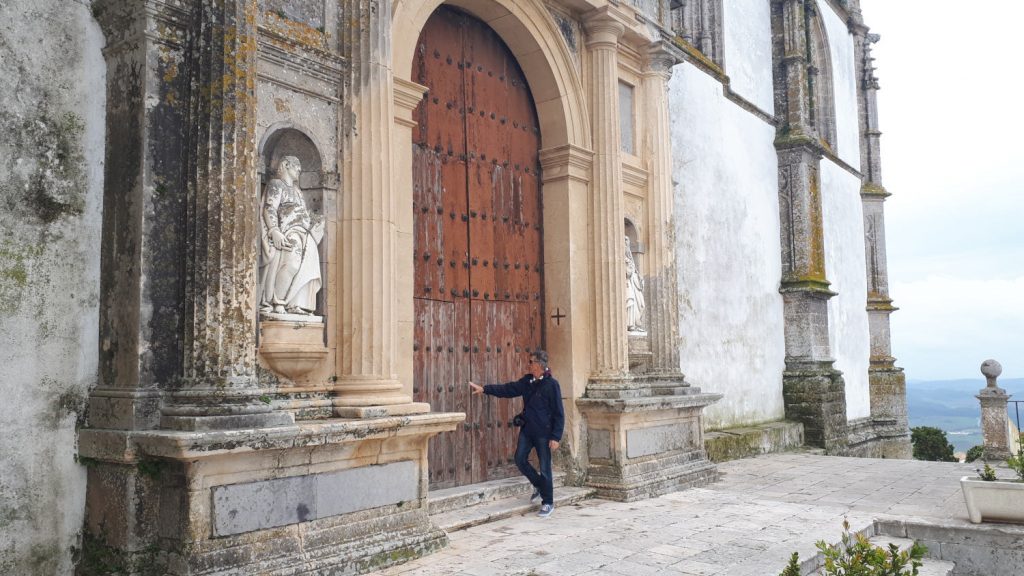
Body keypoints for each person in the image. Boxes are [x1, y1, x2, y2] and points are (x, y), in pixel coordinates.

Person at [468, 350, 564, 518]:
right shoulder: (527, 381)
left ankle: (548, 503)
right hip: (527, 430)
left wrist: (555, 437)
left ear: (540, 365)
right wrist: (485, 389)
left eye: (531, 361)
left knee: (545, 468)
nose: (528, 364)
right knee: (520, 459)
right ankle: (539, 485)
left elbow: (559, 412)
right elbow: (508, 389)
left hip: (544, 433)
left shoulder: (552, 385)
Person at [259, 156, 324, 317]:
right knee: (292, 264)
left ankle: (296, 302)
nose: (299, 170)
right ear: (286, 165)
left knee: (308, 264)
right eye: (296, 166)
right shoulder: (276, 184)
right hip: (287, 231)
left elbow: (302, 212)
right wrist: (274, 231)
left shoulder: (297, 190)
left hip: (302, 231)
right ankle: (278, 301)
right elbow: (269, 208)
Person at [624, 236, 645, 332]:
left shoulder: (629, 259)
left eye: (627, 243)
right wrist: (630, 268)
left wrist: (639, 277)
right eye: (625, 243)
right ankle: (630, 324)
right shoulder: (624, 260)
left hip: (633, 285)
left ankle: (634, 323)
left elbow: (634, 273)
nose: (626, 246)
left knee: (641, 304)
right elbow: (627, 273)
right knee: (630, 301)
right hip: (627, 284)